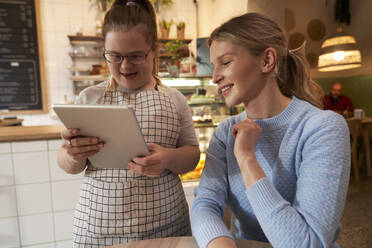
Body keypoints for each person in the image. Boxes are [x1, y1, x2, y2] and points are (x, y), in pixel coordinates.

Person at [191, 13, 350, 248]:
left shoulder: (323, 128)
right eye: (214, 66)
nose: (214, 77)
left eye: (225, 63)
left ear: (267, 60)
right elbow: (204, 203)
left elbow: (307, 243)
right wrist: (220, 243)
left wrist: (246, 158)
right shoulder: (226, 132)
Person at [57, 0, 200, 246]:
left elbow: (193, 156)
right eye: (115, 55)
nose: (125, 65)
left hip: (165, 226)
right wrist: (71, 154)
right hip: (98, 230)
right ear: (105, 49)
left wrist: (166, 158)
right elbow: (69, 166)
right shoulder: (89, 99)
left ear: (153, 50)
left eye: (135, 56)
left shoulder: (175, 100)